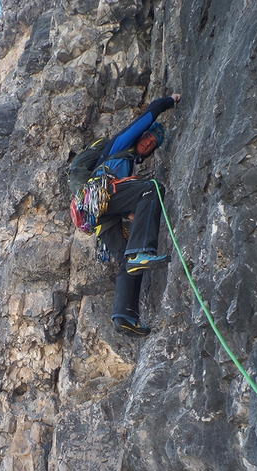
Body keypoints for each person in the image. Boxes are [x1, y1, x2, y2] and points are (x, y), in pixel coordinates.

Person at [92, 94, 181, 338]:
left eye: (153, 144)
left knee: (128, 263)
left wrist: (132, 212)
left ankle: (125, 316)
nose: (148, 143)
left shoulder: (128, 165)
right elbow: (145, 118)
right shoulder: (119, 146)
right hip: (101, 196)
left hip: (100, 214)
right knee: (152, 188)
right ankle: (142, 249)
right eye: (148, 138)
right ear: (140, 136)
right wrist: (168, 102)